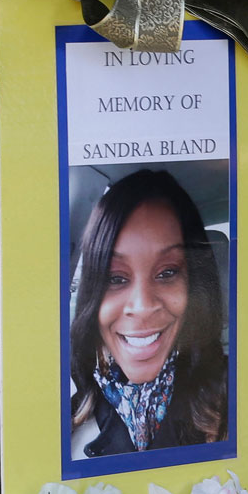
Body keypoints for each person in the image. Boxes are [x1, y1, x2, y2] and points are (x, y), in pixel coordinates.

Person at [69, 169, 228, 458]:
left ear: (196, 283)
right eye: (115, 278)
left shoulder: (237, 398)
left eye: (167, 272)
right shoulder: (64, 416)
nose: (141, 306)